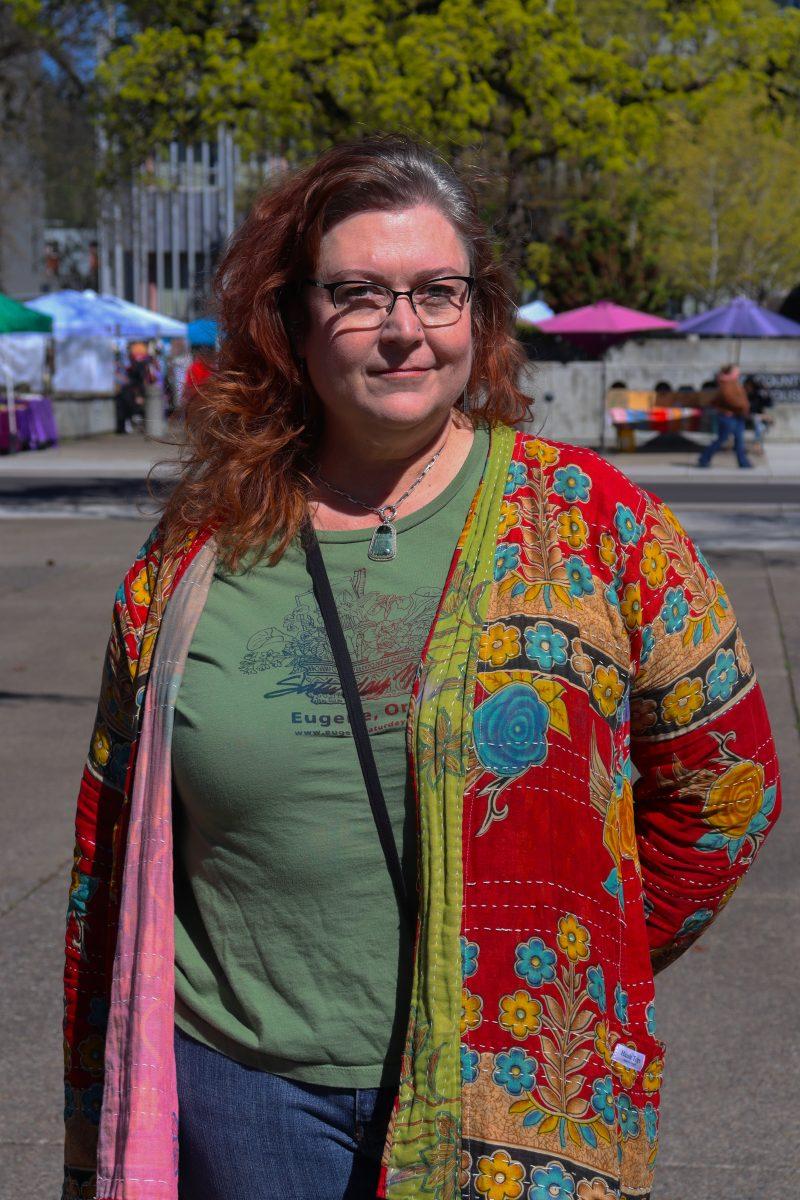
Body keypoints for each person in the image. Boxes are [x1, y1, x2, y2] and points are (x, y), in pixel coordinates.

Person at [64, 136, 780, 1200]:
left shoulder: (598, 527)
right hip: (241, 1095)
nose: (403, 329)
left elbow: (727, 791)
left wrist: (582, 961)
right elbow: (114, 836)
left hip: (511, 1096)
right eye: (356, 293)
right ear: (291, 318)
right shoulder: (192, 552)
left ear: (478, 318)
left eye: (436, 292)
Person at [697, 363, 753, 468]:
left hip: (737, 416)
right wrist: (743, 406)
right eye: (736, 371)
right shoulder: (726, 383)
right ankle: (704, 459)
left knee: (739, 441)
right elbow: (730, 399)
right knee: (721, 440)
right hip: (728, 416)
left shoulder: (734, 383)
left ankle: (743, 462)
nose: (738, 373)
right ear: (730, 372)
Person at [114, 341, 152, 435]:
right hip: (133, 389)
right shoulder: (138, 362)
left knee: (136, 409)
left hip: (133, 389)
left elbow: (139, 377)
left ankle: (137, 425)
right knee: (135, 409)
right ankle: (136, 425)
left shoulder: (135, 362)